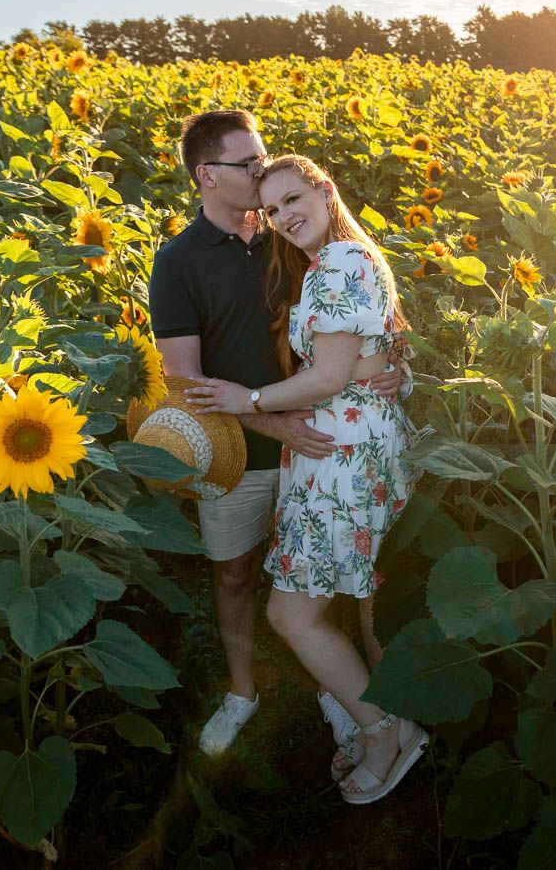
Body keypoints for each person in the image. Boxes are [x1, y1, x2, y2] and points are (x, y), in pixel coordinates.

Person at [148, 111, 404, 755]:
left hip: (323, 446)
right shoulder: (178, 261)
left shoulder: (292, 237)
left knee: (336, 575)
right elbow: (184, 379)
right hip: (233, 448)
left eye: (268, 166)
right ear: (206, 176)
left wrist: (394, 369)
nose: (264, 175)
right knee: (235, 575)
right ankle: (243, 692)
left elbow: (362, 321)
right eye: (248, 165)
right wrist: (272, 423)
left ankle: (342, 695)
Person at [185, 154, 426, 805]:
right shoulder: (349, 258)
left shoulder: (339, 264)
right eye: (274, 209)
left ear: (325, 189)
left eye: (295, 199)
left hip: (342, 456)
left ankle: (386, 731)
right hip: (351, 448)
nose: (286, 217)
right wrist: (392, 371)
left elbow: (329, 375)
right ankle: (382, 721)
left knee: (292, 612)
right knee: (345, 596)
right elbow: (374, 352)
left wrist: (248, 400)